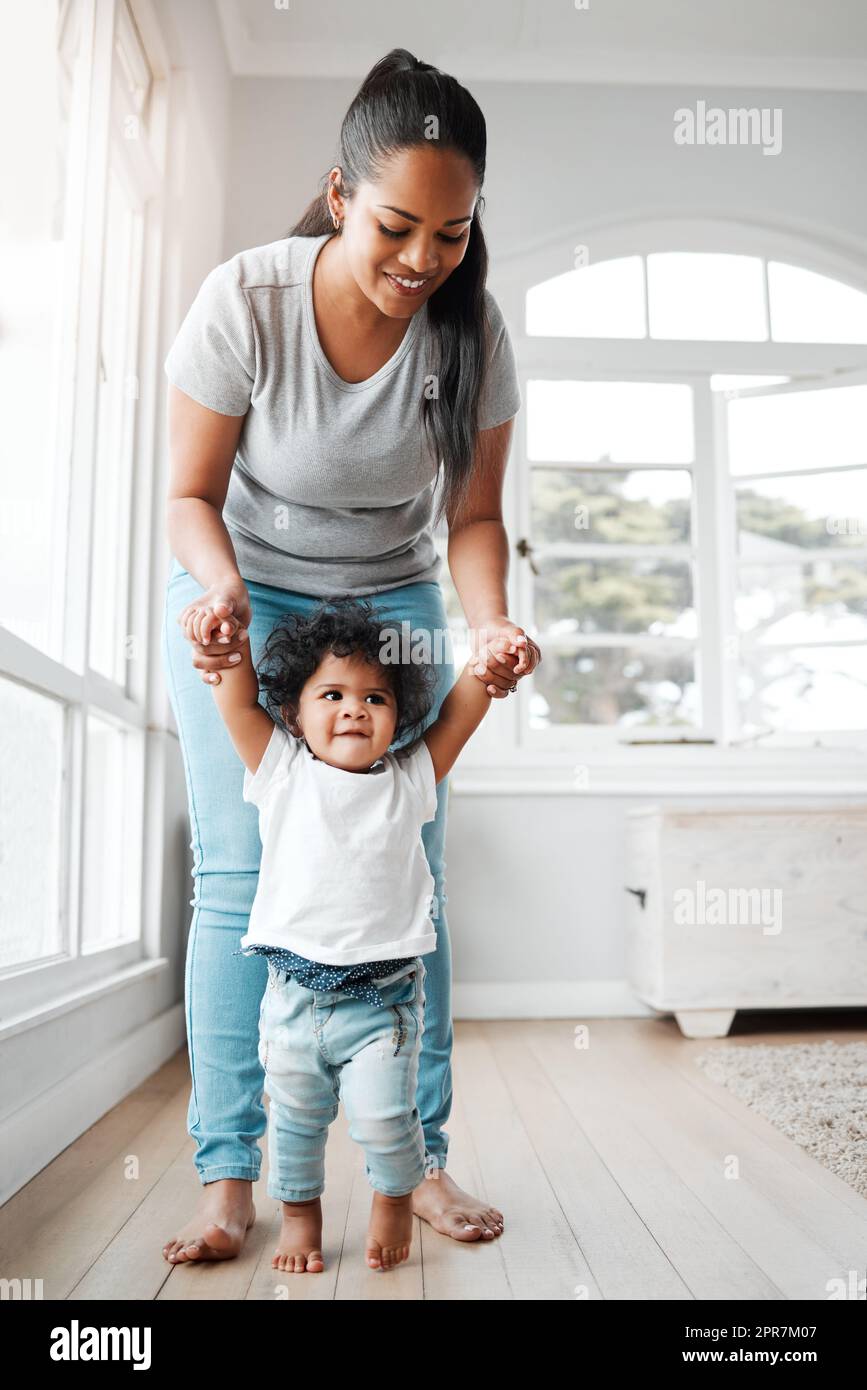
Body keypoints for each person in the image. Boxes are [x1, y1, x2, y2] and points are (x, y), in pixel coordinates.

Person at [160, 46, 542, 1265]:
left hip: (396, 594)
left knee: (405, 871)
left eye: (451, 232)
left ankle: (414, 1160)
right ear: (339, 195)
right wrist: (221, 591)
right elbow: (187, 492)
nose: (422, 260)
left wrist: (484, 624)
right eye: (395, 226)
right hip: (249, 580)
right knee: (238, 878)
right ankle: (232, 1177)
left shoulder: (468, 334)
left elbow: (474, 520)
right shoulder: (247, 300)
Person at [200, 594, 518, 1271]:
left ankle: (396, 1197)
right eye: (333, 694)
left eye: (376, 699)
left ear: (399, 720)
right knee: (295, 1126)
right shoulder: (280, 771)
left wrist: (488, 661)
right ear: (294, 713)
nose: (353, 708)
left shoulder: (412, 779)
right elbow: (235, 704)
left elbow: (461, 712)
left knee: (385, 1120)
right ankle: (299, 1221)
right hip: (291, 1000)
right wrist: (224, 641)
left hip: (384, 1004)